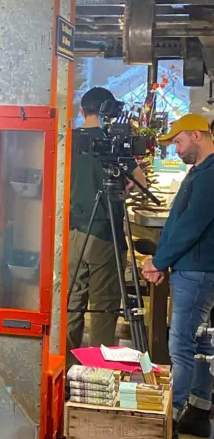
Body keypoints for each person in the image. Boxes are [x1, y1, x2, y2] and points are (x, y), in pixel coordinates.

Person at [142, 113, 214, 439]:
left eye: (179, 141)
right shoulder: (200, 173)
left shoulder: (210, 176)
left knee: (181, 346)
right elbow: (179, 222)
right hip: (192, 268)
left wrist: (159, 260)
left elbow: (190, 227)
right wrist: (162, 261)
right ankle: (199, 409)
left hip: (197, 271)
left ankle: (171, 417)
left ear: (197, 135)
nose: (176, 149)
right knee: (198, 344)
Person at [67, 87, 147, 366]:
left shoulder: (69, 141)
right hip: (105, 233)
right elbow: (141, 184)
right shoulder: (113, 143)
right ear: (110, 111)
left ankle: (65, 373)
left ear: (82, 111)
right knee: (103, 307)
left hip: (71, 233)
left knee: (71, 304)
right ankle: (97, 373)